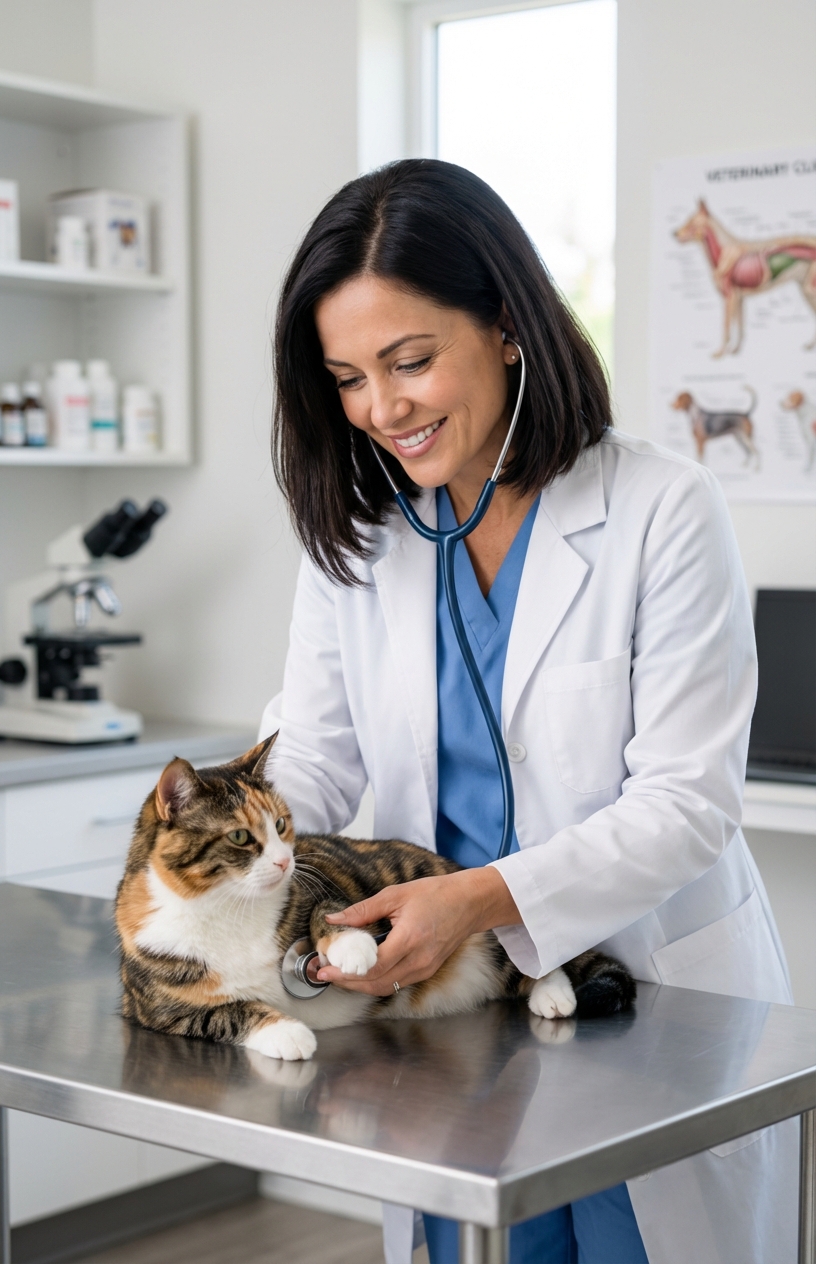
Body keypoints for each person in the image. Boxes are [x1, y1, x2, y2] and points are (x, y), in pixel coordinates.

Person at [262, 159, 797, 1264]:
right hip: (454, 1018)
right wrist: (218, 847)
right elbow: (313, 754)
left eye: (410, 361)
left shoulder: (659, 508)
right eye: (348, 376)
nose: (381, 408)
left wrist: (480, 897)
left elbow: (687, 799)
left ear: (505, 324)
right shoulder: (363, 540)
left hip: (644, 1005)